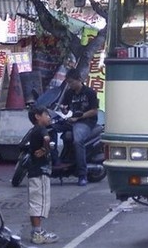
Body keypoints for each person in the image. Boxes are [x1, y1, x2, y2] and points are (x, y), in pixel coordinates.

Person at [60, 69, 99, 186]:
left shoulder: (89, 92)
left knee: (78, 141)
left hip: (86, 122)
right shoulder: (69, 93)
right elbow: (65, 107)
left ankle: (82, 174)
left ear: (79, 80)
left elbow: (94, 111)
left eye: (71, 82)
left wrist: (79, 117)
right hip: (71, 120)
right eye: (68, 83)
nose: (70, 85)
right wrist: (64, 109)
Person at [27, 105, 58, 244]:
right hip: (40, 171)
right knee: (40, 203)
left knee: (35, 202)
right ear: (37, 117)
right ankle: (38, 233)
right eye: (46, 115)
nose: (49, 117)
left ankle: (36, 231)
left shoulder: (33, 130)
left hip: (33, 170)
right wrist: (45, 150)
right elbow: (46, 139)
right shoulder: (41, 129)